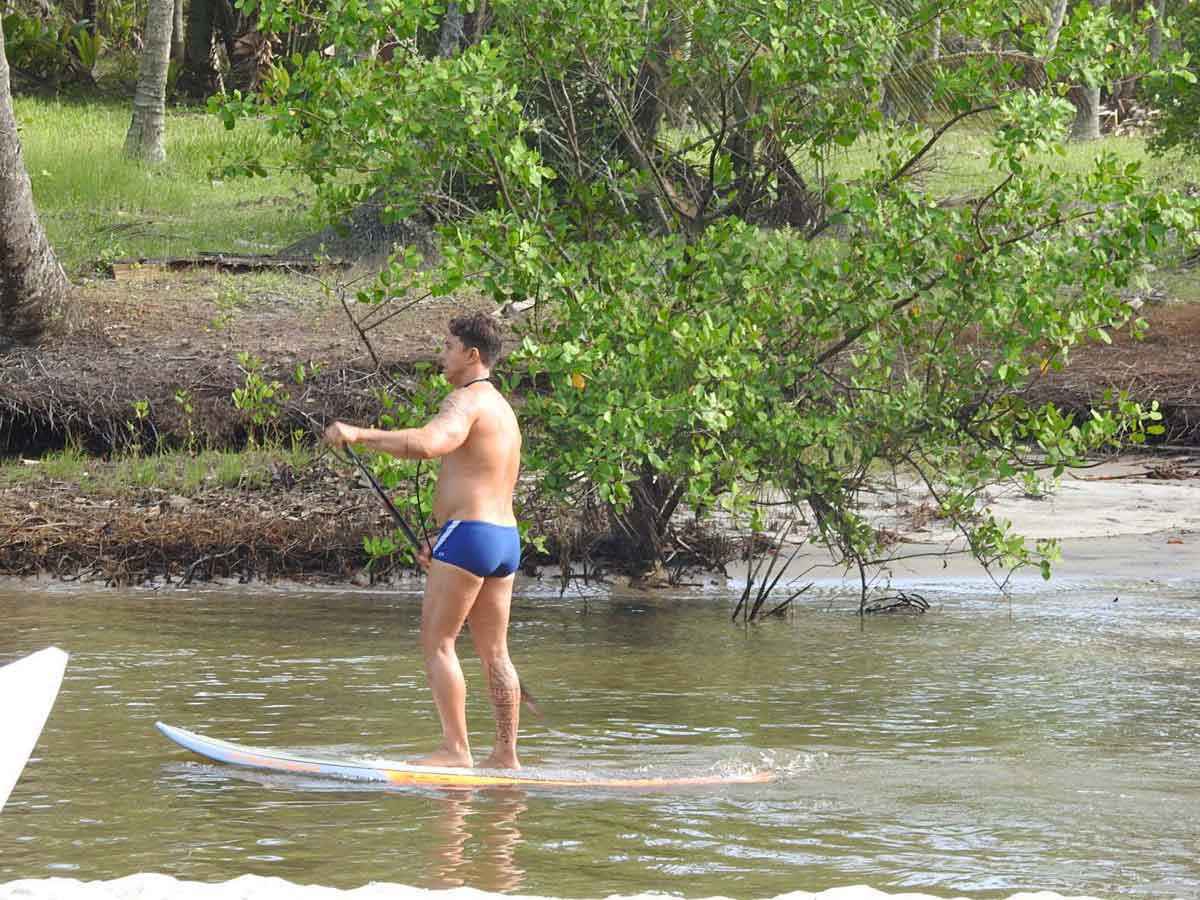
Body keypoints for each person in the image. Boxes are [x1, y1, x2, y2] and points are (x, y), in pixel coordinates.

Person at [324, 312, 524, 769]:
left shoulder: (465, 401)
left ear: (472, 355)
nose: (442, 355)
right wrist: (446, 539)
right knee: (496, 652)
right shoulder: (503, 409)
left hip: (470, 536)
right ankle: (506, 755)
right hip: (503, 539)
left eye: (448, 346)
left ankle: (456, 750)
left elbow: (431, 443)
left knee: (438, 643)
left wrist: (360, 433)